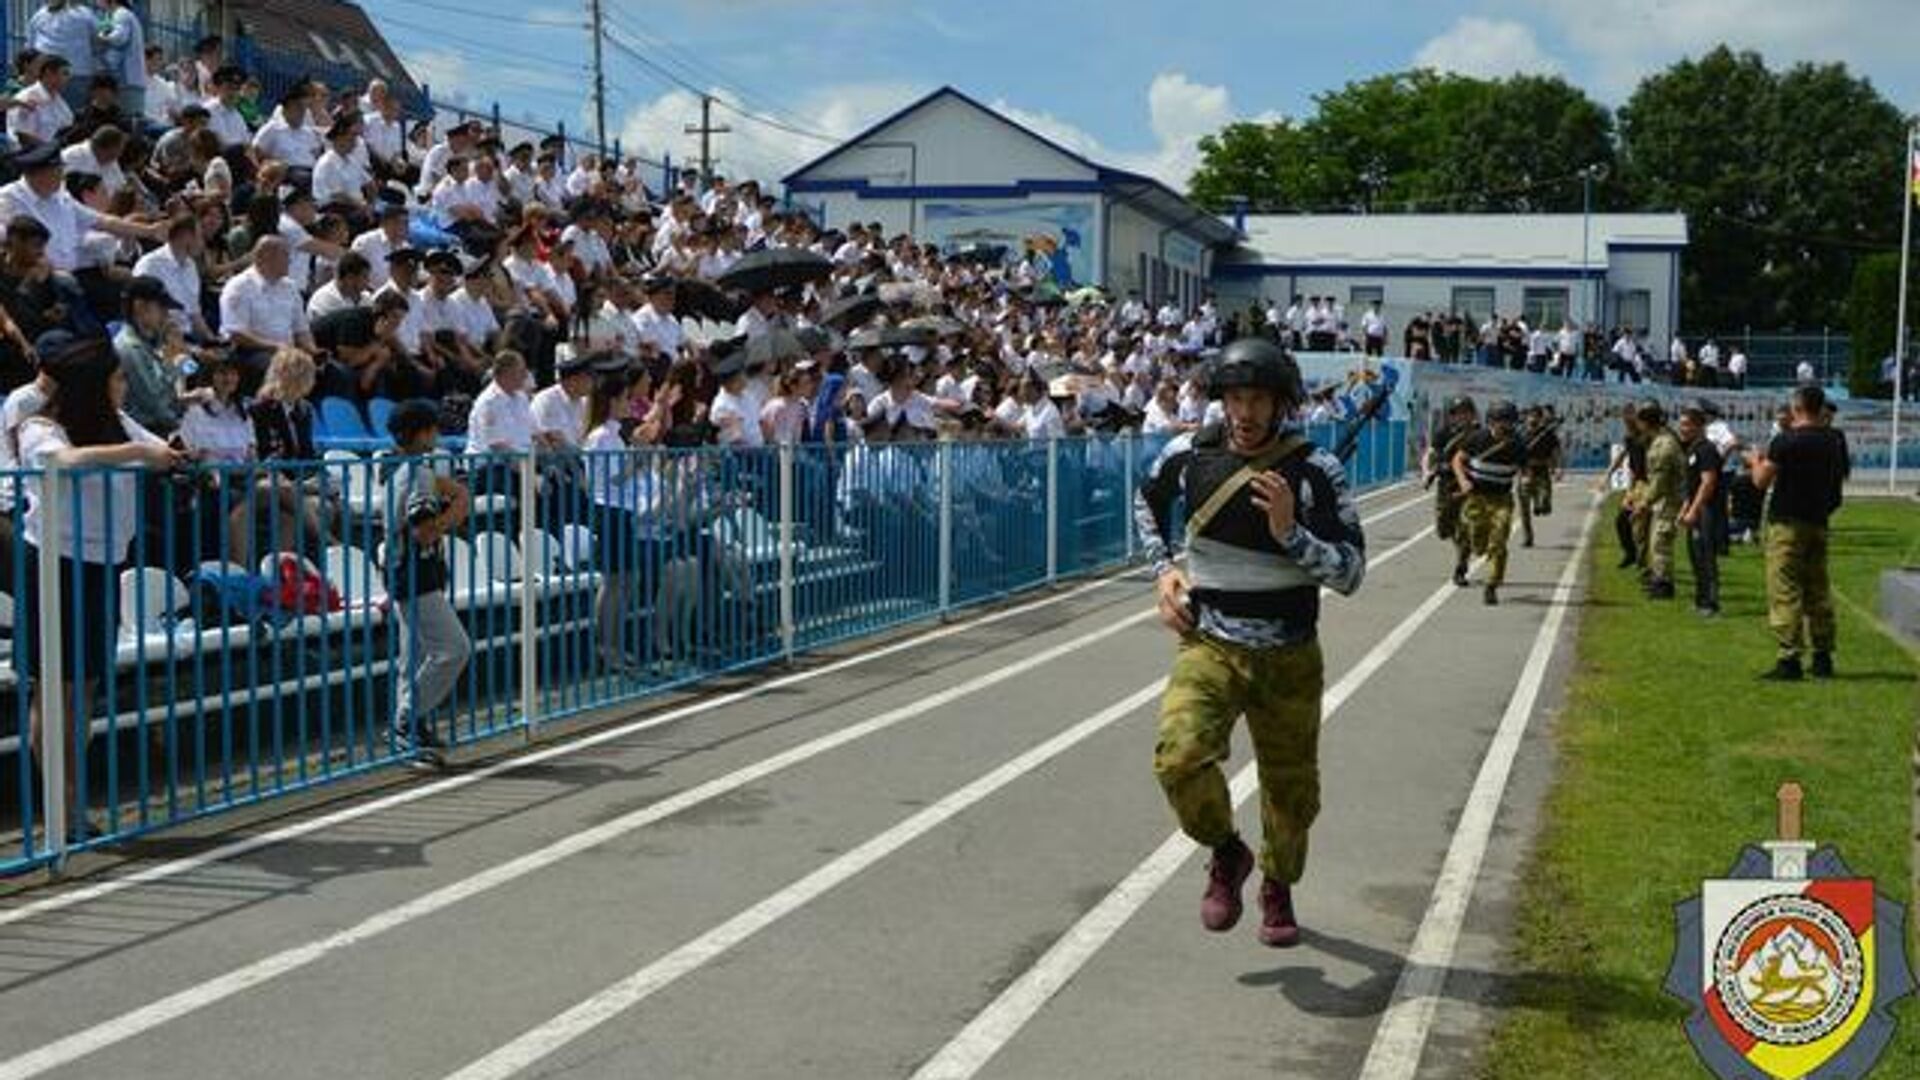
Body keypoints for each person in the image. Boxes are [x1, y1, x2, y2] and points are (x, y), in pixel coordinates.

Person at [1134, 337, 1366, 948]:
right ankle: (1226, 852)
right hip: (1209, 644)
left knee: (1291, 792)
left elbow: (1350, 574)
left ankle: (1276, 883)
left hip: (1290, 654)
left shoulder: (1317, 470)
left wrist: (1291, 533)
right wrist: (1162, 570)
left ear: (1281, 403)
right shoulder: (1187, 455)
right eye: (1235, 397)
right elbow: (1145, 502)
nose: (1245, 411)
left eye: (1259, 398)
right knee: (1179, 757)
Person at [16, 338, 182, 839]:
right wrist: (138, 454)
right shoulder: (38, 426)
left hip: (102, 562)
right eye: (116, 378)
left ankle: (74, 797)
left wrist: (173, 452)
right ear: (92, 384)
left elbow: (158, 447)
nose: (123, 385)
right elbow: (63, 462)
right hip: (53, 563)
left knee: (84, 685)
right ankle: (58, 809)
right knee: (53, 685)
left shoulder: (118, 420)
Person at [382, 399, 471, 767]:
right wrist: (459, 508)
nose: (437, 434)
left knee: (413, 656)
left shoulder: (408, 468)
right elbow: (424, 531)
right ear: (420, 433)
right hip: (416, 573)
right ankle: (405, 721)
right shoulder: (414, 473)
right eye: (432, 428)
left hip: (409, 572)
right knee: (454, 648)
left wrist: (453, 492)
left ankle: (409, 728)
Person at [1749, 384, 1846, 681]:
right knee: (1818, 588)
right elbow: (1837, 486)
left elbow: (1760, 482)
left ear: (1797, 407)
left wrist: (1755, 461)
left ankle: (1789, 657)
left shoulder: (1785, 440)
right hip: (1818, 521)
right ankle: (1822, 656)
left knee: (1785, 588)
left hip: (1788, 523)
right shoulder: (1833, 440)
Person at [1452, 399, 1524, 605]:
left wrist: (1526, 478)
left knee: (1499, 541)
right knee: (1477, 541)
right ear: (1491, 421)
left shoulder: (1517, 444)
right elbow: (1457, 460)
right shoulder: (1478, 438)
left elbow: (1524, 468)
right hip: (1476, 498)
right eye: (1503, 421)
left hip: (1501, 500)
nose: (1507, 426)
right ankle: (1468, 559)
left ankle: (1492, 584)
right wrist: (1463, 481)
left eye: (1510, 422)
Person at [1676, 406, 1723, 617]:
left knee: (1706, 556)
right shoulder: (1692, 449)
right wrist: (1685, 508)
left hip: (1708, 509)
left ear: (1699, 426)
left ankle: (1711, 603)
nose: (1682, 428)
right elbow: (1691, 485)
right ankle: (1700, 599)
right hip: (1696, 507)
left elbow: (1708, 481)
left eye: (1686, 424)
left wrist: (1694, 510)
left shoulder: (1706, 449)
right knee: (1695, 556)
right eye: (1681, 424)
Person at [1638, 400, 1685, 600]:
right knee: (1656, 541)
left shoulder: (1663, 444)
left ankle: (1664, 585)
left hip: (1670, 499)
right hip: (1665, 498)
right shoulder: (1661, 439)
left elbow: (1659, 480)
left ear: (1646, 423)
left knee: (1661, 541)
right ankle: (1659, 578)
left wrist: (1645, 502)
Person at [1424, 396, 1477, 577]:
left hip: (1469, 485)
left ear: (1472, 414)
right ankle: (1460, 545)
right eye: (1457, 413)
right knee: (1443, 529)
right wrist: (1427, 472)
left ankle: (1461, 564)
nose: (1462, 416)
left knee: (1465, 526)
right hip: (1446, 484)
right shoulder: (1443, 433)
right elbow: (1431, 453)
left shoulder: (1480, 435)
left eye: (1466, 412)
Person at [1516, 404, 1561, 549]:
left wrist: (1557, 468)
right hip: (1525, 472)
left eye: (1536, 416)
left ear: (1541, 418)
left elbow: (1556, 452)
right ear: (1527, 417)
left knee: (1544, 505)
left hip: (1542, 471)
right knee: (1524, 509)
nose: (1533, 419)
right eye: (1531, 415)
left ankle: (1540, 504)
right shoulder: (1520, 433)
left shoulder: (1548, 434)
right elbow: (1513, 453)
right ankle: (1527, 538)